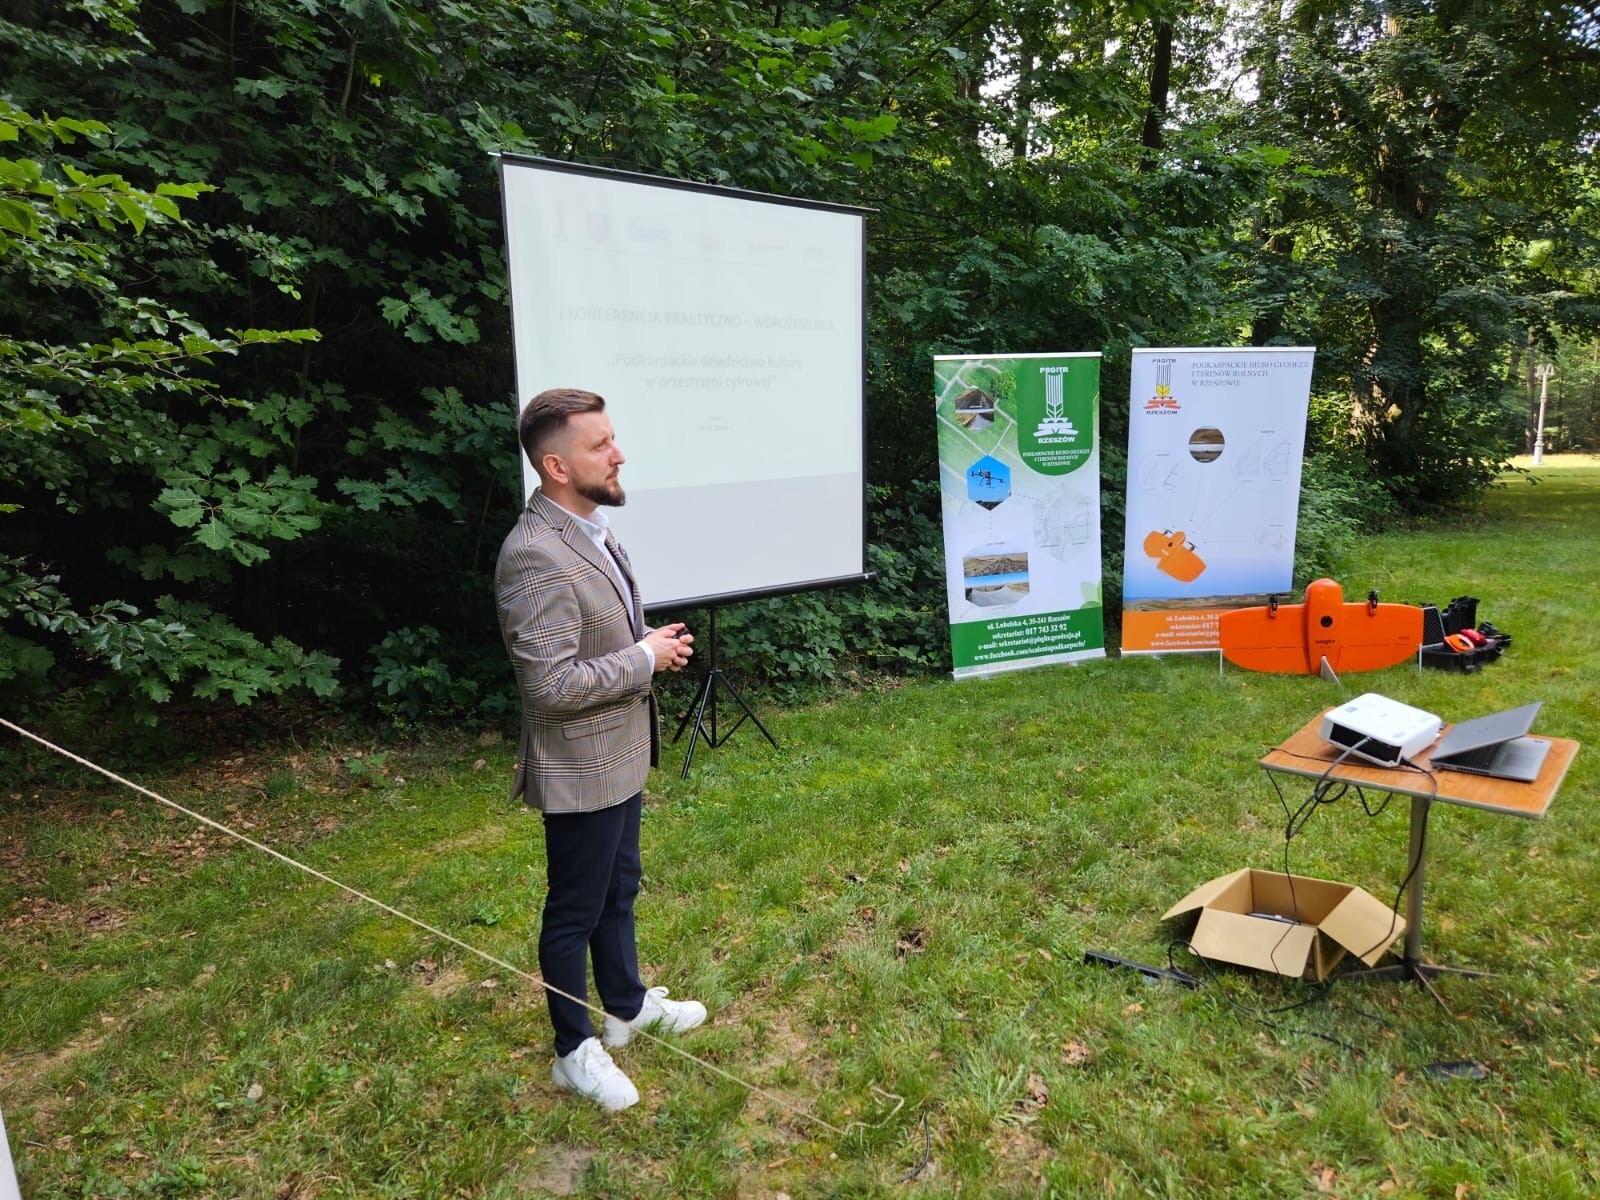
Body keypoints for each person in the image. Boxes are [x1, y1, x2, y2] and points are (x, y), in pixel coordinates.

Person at [495, 387, 707, 1111]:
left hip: (620, 752)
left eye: (613, 439)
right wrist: (644, 659)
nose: (619, 454)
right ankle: (572, 1051)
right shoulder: (534, 555)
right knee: (574, 911)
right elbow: (548, 685)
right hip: (579, 764)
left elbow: (593, 640)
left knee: (619, 888)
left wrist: (643, 646)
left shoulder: (590, 530)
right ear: (556, 466)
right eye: (600, 445)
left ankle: (626, 1006)